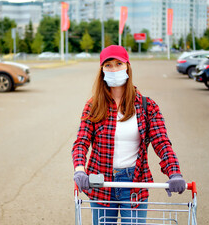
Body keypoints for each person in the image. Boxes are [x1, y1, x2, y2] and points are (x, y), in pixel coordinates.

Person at [72, 45, 186, 225]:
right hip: (101, 182)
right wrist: (79, 170)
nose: (114, 69)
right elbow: (81, 141)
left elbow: (161, 142)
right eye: (108, 65)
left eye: (118, 63)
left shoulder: (146, 106)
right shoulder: (93, 106)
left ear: (127, 66)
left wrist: (174, 173)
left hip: (134, 183)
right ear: (102, 70)